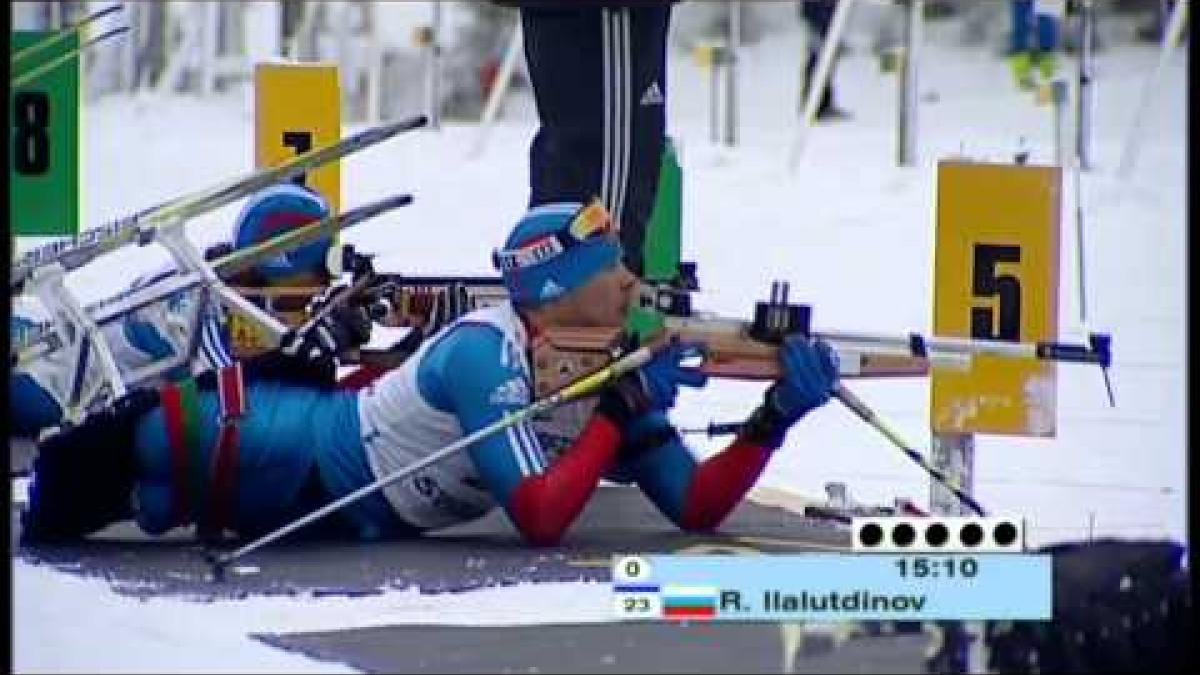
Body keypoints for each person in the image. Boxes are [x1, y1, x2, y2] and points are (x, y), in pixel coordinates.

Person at [19, 199, 841, 547]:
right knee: (138, 450)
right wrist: (618, 414)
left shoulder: (599, 360)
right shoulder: (485, 351)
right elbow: (542, 519)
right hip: (289, 447)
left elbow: (695, 507)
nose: (631, 281)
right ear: (558, 288)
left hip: (338, 498)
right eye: (611, 266)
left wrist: (773, 419)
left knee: (153, 498)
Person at [9, 183, 359, 439]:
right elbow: (230, 403)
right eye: (319, 270)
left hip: (42, 345)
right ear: (283, 263)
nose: (325, 283)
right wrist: (308, 356)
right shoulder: (190, 301)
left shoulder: (216, 282)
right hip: (41, 378)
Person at [502, 1, 674, 278]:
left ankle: (557, 291)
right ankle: (588, 292)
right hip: (605, 17)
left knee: (570, 158)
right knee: (604, 182)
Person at [798, 0, 850, 121]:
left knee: (825, 58)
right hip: (818, 12)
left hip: (824, 13)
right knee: (818, 57)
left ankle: (821, 103)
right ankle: (814, 105)